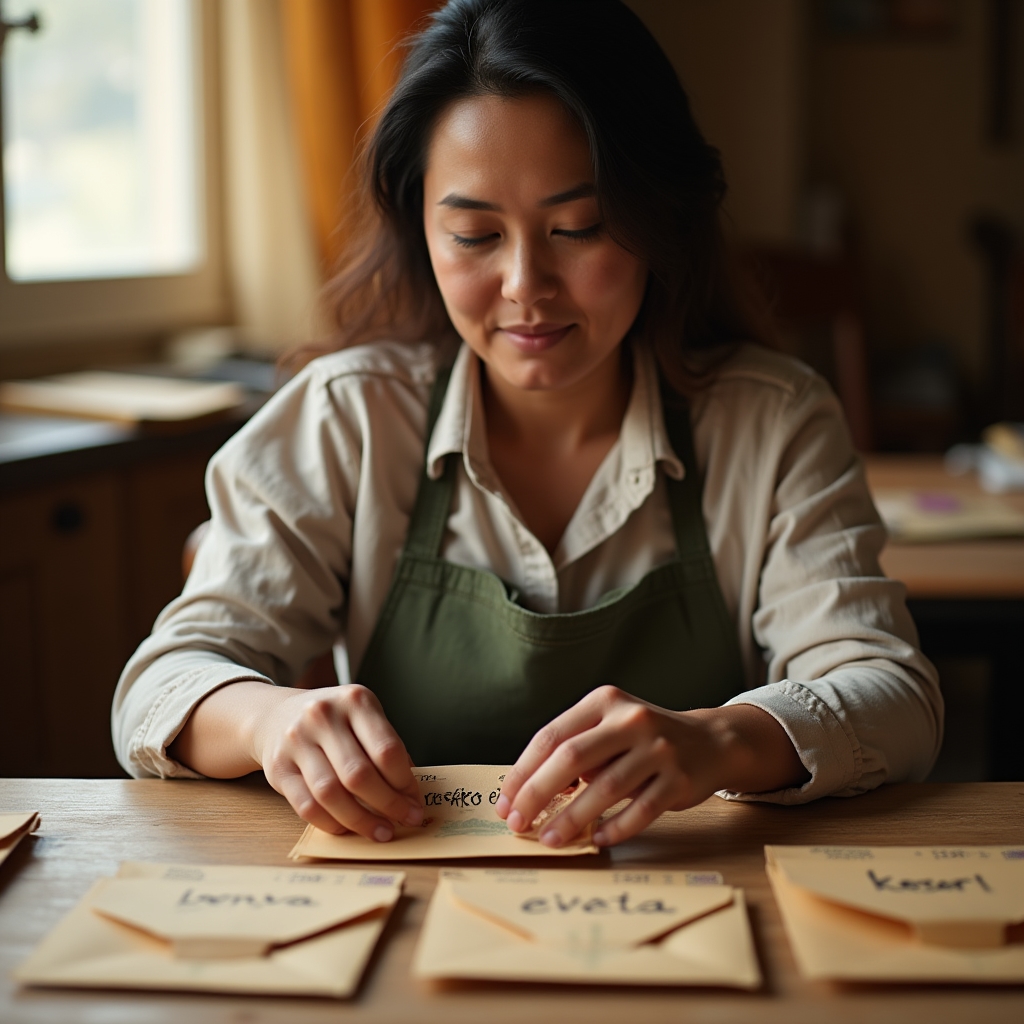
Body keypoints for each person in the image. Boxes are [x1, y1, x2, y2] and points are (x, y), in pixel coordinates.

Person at [112, 0, 941, 851]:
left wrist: (721, 739)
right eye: (474, 235)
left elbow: (895, 694)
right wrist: (266, 720)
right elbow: (163, 685)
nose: (524, 284)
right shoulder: (347, 417)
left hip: (688, 894)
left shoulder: (772, 421)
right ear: (419, 229)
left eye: (577, 228)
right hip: (403, 907)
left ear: (660, 217)